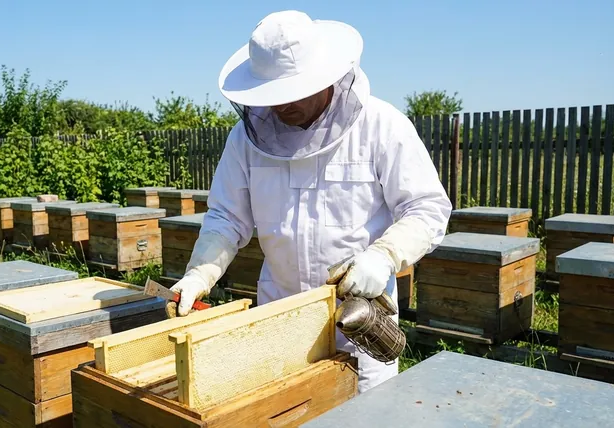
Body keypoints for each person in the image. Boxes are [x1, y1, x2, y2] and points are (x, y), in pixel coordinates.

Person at [166, 10, 452, 393]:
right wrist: (200, 273)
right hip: (279, 317)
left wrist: (383, 255)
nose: (281, 106)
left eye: (292, 92)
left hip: (359, 321)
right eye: (272, 95)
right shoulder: (245, 139)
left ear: (325, 76)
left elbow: (428, 208)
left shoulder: (382, 125)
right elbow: (226, 216)